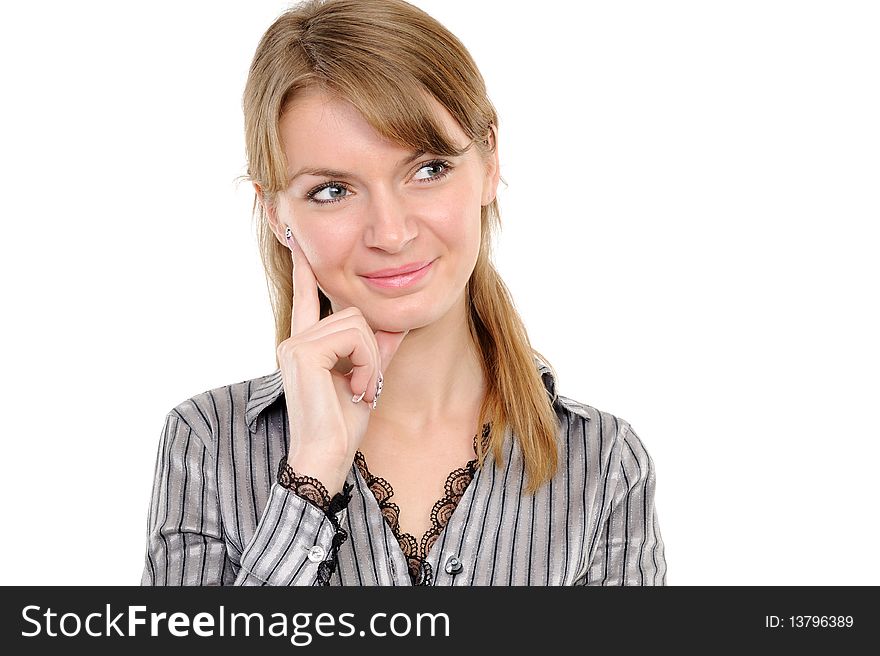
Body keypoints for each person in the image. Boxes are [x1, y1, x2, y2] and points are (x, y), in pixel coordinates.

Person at [140, 0, 667, 586]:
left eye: (429, 170)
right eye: (333, 190)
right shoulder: (208, 443)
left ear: (490, 161)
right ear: (275, 211)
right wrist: (311, 477)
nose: (392, 233)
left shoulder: (603, 462)